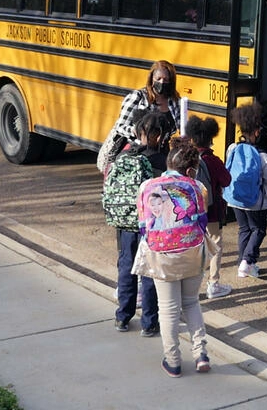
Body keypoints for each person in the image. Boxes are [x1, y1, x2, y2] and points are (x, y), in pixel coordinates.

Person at [134, 137, 211, 378]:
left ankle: (173, 361)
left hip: (162, 256)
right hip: (192, 253)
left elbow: (142, 225)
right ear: (190, 170)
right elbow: (202, 220)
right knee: (191, 303)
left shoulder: (147, 187)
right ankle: (201, 355)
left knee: (167, 310)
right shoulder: (198, 188)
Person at [101, 111, 165, 336]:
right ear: (158, 135)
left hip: (124, 222)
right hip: (148, 226)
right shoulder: (158, 160)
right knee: (148, 271)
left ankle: (122, 317)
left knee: (126, 267)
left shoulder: (124, 155)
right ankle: (149, 322)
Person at [97, 60, 181, 175]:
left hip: (162, 151)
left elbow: (181, 127)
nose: (162, 82)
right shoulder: (137, 97)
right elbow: (120, 126)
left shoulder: (175, 101)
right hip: (137, 150)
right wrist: (136, 131)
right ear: (151, 79)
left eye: (166, 80)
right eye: (158, 79)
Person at [224, 103, 267, 279]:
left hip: (235, 199)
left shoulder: (233, 148)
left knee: (244, 229)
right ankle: (248, 260)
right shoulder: (262, 156)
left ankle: (243, 264)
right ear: (256, 132)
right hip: (255, 202)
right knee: (259, 230)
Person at [184, 115, 233, 299]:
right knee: (215, 246)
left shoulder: (186, 159)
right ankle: (213, 284)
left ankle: (190, 286)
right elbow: (226, 180)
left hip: (189, 212)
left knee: (193, 247)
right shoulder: (213, 161)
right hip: (211, 211)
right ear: (210, 138)